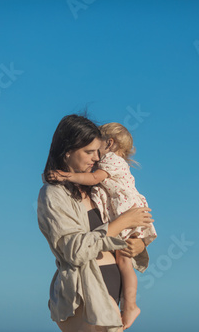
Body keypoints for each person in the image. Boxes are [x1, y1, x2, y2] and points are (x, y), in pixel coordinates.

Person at [38, 114, 154, 332]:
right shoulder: (53, 194)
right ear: (67, 151)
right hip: (85, 291)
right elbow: (74, 250)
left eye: (97, 152)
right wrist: (123, 222)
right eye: (88, 152)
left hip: (110, 289)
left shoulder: (98, 190)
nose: (95, 158)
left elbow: (120, 236)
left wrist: (139, 244)